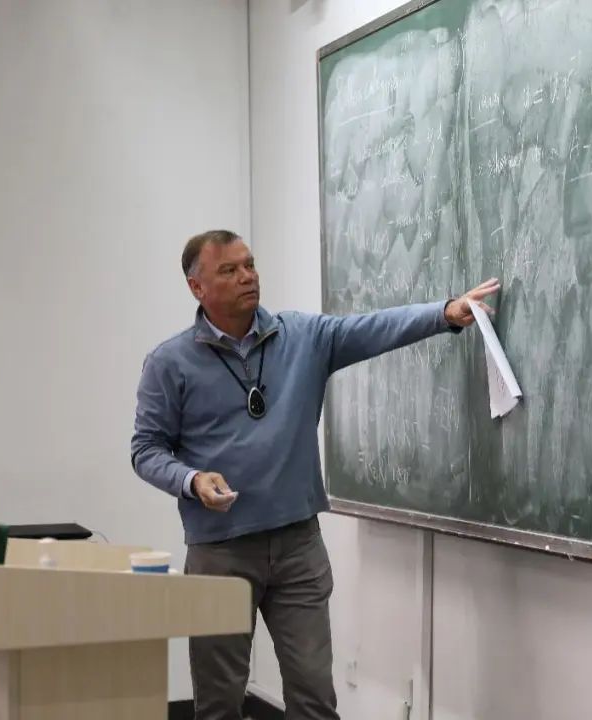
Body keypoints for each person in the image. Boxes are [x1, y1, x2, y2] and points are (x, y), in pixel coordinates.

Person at [130, 229, 499, 720]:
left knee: (314, 697)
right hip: (220, 551)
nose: (247, 276)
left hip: (297, 546)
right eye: (229, 270)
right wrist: (191, 480)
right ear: (197, 287)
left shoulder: (302, 336)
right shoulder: (169, 362)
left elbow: (372, 329)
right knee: (219, 703)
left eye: (250, 264)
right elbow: (146, 450)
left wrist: (445, 313)